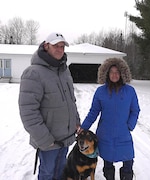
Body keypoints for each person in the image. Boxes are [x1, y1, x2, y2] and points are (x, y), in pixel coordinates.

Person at [18, 32, 80, 180]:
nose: (60, 50)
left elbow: (71, 101)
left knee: (60, 172)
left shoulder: (64, 71)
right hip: (49, 141)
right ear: (46, 46)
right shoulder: (33, 73)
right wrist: (45, 140)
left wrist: (76, 121)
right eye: (56, 46)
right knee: (47, 173)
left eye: (62, 47)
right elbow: (28, 112)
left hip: (65, 137)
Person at [80, 58, 140, 180]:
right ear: (106, 73)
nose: (114, 74)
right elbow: (93, 112)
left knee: (128, 162)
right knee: (108, 163)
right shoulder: (100, 92)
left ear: (122, 73)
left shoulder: (130, 91)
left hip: (123, 134)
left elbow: (135, 110)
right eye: (111, 72)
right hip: (105, 134)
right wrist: (83, 128)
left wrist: (130, 126)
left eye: (117, 72)